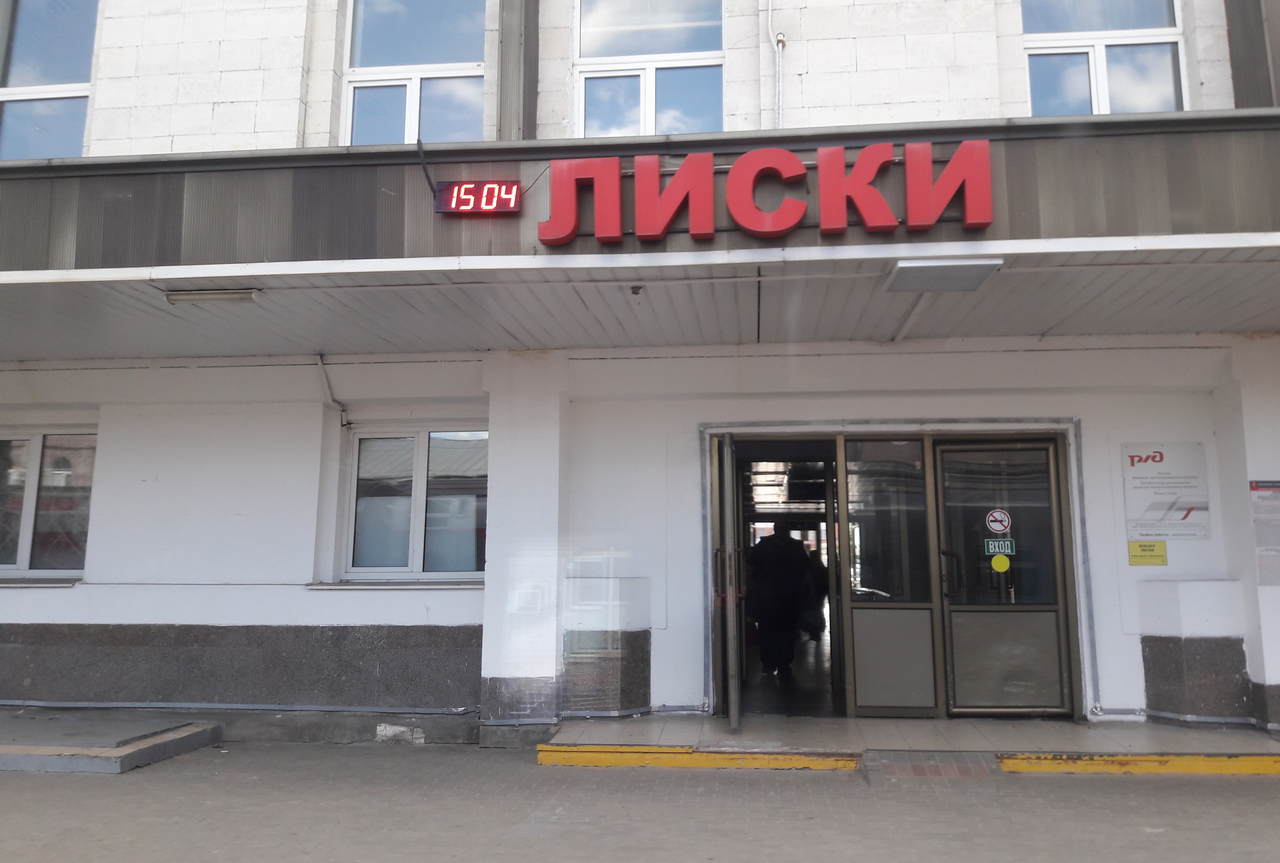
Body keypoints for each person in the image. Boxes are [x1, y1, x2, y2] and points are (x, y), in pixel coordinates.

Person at [745, 519, 812, 676]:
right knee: (786, 633)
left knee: (769, 632)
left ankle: (770, 664)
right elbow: (805, 571)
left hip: (769, 598)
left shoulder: (763, 546)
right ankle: (783, 664)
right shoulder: (795, 547)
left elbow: (751, 566)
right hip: (788, 598)